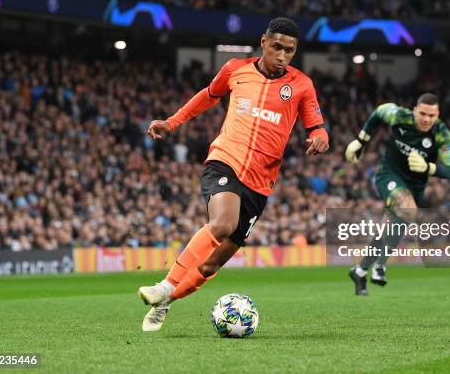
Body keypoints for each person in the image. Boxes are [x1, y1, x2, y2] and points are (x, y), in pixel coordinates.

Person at [137, 17, 329, 331]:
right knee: (222, 224)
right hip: (225, 160)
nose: (281, 55)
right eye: (277, 47)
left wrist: (321, 139)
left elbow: (317, 127)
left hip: (260, 182)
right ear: (264, 41)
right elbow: (207, 96)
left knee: (213, 262)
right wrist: (171, 122)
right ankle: (165, 284)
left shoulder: (302, 85)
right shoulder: (235, 69)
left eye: (289, 51)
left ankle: (166, 302)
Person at [345, 93, 450, 295]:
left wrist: (428, 167)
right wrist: (361, 140)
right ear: (414, 110)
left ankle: (360, 271)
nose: (426, 119)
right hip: (389, 175)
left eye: (431, 115)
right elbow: (379, 112)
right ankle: (380, 266)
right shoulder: (399, 116)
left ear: (437, 114)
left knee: (387, 229)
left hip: (414, 187)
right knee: (408, 209)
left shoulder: (441, 133)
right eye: (422, 113)